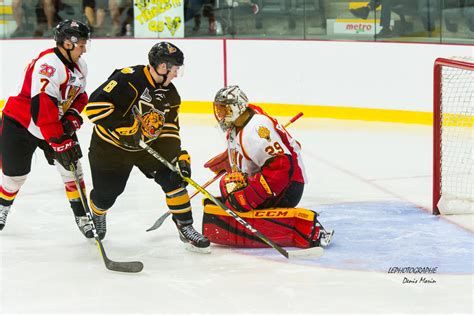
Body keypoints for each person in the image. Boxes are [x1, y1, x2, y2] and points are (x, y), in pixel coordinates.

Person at [84, 42, 210, 252]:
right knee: (107, 195)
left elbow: (169, 130)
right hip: (110, 148)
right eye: (175, 69)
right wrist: (127, 128)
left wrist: (177, 158)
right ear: (162, 66)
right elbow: (95, 107)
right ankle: (98, 212)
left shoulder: (171, 95)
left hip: (144, 148)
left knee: (174, 178)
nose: (176, 75)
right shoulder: (128, 78)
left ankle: (185, 226)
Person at [202, 85, 333, 248]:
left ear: (237, 108)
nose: (220, 114)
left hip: (287, 187)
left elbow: (282, 166)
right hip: (271, 181)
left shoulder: (256, 129)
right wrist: (230, 160)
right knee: (229, 185)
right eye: (218, 109)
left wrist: (247, 196)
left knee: (231, 187)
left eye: (224, 109)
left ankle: (298, 229)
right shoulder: (237, 125)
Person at [0, 20, 92, 238]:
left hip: (52, 122)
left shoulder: (80, 66)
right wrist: (59, 140)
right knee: (15, 177)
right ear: (68, 44)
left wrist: (72, 118)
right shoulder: (48, 65)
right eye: (81, 43)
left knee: (72, 170)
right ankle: (2, 208)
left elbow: (80, 96)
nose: (85, 48)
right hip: (21, 122)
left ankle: (83, 216)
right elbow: (42, 107)